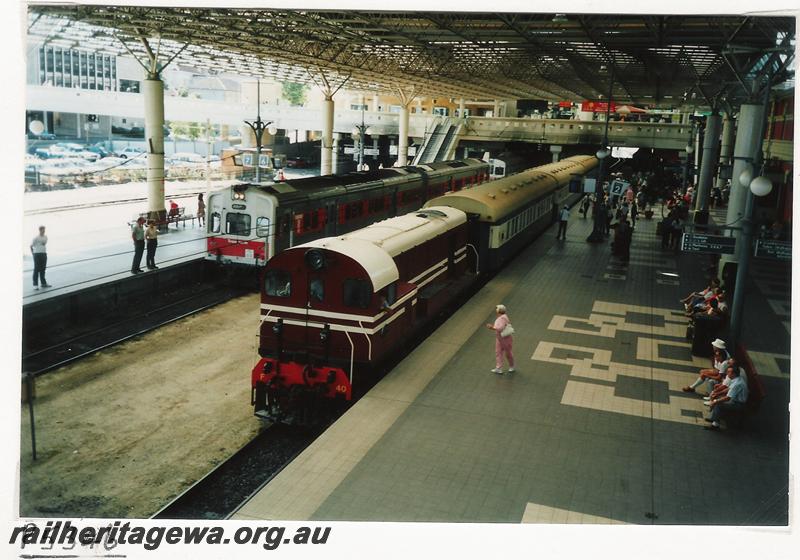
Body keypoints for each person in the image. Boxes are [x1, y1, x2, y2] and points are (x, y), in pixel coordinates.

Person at [705, 364, 748, 430]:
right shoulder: (736, 379)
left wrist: (715, 401)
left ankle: (715, 425)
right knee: (718, 398)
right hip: (735, 400)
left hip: (738, 404)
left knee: (718, 404)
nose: (727, 373)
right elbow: (728, 389)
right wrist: (717, 393)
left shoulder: (737, 384)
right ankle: (714, 419)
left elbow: (728, 398)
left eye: (728, 372)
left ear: (733, 374)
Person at [486, 304, 514, 374]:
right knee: (498, 352)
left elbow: (500, 328)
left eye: (497, 309)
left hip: (505, 339)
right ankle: (499, 368)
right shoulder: (503, 316)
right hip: (499, 338)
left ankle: (511, 366)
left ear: (498, 311)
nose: (496, 310)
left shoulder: (502, 318)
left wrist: (492, 327)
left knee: (508, 353)